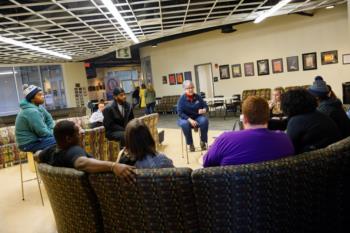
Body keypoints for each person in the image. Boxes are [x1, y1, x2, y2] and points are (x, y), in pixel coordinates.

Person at [203, 96, 294, 167]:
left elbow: (206, 162)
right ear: (267, 117)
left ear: (244, 119)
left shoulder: (224, 139)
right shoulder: (284, 140)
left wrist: (213, 147)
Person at [38, 120, 135, 183]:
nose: (81, 134)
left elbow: (37, 155)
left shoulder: (50, 151)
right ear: (68, 139)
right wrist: (113, 166)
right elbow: (81, 163)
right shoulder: (73, 150)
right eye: (78, 133)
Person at [281, 88, 340, 154]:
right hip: (331, 155)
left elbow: (289, 146)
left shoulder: (296, 121)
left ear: (287, 105)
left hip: (311, 158)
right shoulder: (318, 114)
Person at [15, 84, 56, 152]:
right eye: (39, 95)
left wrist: (51, 130)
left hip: (38, 139)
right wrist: (53, 134)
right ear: (32, 99)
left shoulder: (38, 107)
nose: (43, 97)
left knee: (62, 138)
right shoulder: (31, 111)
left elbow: (49, 118)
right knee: (61, 140)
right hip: (28, 144)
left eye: (42, 94)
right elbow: (42, 132)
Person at [177, 80, 208, 152]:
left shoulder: (198, 97)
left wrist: (204, 110)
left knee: (204, 121)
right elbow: (180, 113)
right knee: (185, 124)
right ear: (184, 89)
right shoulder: (181, 99)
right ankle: (190, 144)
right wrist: (190, 120)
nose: (190, 89)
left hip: (197, 117)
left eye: (192, 87)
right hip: (185, 118)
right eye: (188, 88)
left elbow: (206, 106)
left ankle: (203, 141)